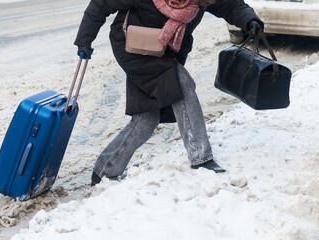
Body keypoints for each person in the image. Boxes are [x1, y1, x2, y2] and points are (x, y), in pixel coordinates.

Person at [74, 0, 263, 186]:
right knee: (182, 84)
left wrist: (249, 20)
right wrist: (84, 41)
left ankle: (105, 170)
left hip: (165, 51)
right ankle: (201, 158)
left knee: (147, 117)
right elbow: (100, 5)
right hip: (133, 46)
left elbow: (231, 5)